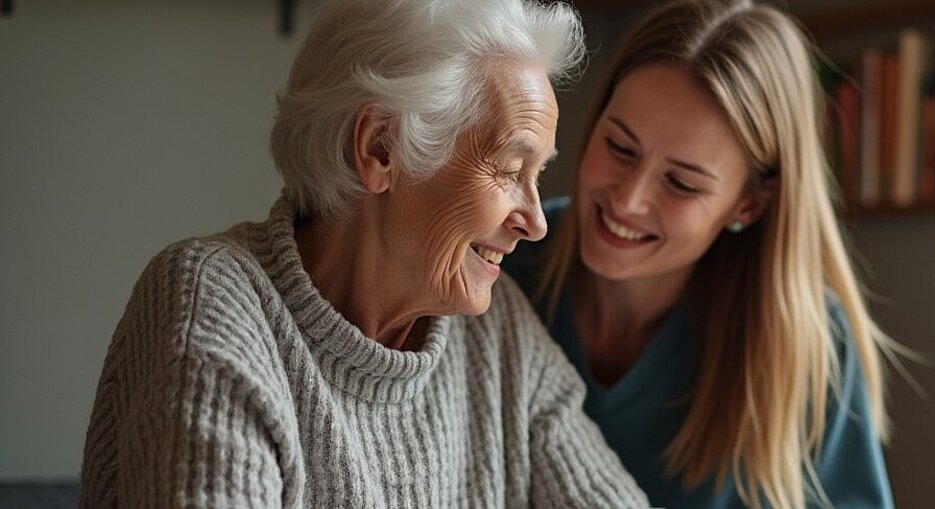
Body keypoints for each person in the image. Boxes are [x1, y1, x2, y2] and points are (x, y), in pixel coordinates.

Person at [78, 0, 650, 506]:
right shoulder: (212, 300)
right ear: (380, 148)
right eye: (508, 169)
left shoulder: (497, 340)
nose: (534, 221)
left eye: (539, 175)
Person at [504, 0, 899, 507]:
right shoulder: (502, 261)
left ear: (750, 204)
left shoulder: (811, 346)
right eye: (620, 148)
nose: (628, 199)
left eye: (682, 183)